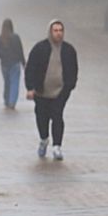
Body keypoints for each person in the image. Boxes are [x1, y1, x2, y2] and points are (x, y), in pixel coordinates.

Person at [25, 19, 78, 160]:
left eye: (61, 30)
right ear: (50, 32)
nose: (58, 33)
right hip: (41, 92)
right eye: (55, 30)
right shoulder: (40, 49)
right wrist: (30, 87)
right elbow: (30, 68)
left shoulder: (68, 50)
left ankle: (57, 146)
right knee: (42, 117)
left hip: (60, 92)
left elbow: (73, 70)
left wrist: (69, 86)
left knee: (57, 116)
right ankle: (44, 139)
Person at [0, 19, 26, 110]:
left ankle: (6, 100)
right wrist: (23, 63)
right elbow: (20, 51)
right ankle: (12, 102)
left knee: (7, 83)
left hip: (4, 64)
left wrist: (2, 57)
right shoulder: (16, 37)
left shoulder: (0, 38)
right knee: (14, 82)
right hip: (15, 63)